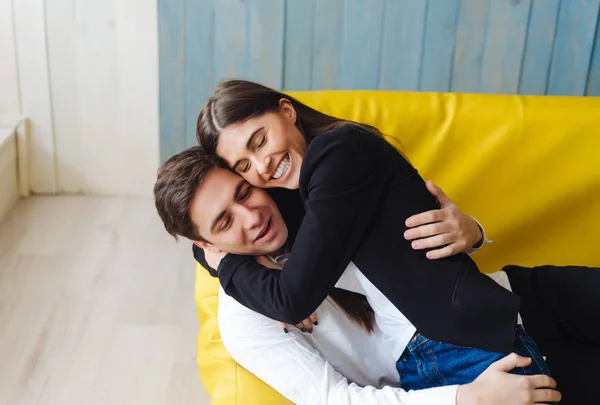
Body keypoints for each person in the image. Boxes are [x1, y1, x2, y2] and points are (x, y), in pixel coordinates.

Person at [195, 80, 552, 388]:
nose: (262, 165)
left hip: (465, 345)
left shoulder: (337, 154)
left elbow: (291, 300)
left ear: (287, 111)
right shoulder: (294, 191)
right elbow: (208, 219)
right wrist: (208, 253)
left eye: (259, 140)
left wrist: (227, 265)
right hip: (420, 361)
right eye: (244, 167)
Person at [153, 147, 560, 405]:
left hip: (503, 300)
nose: (252, 216)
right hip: (451, 376)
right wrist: (467, 399)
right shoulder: (246, 319)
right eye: (224, 222)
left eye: (244, 192)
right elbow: (332, 399)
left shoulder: (311, 198)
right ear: (206, 244)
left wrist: (471, 231)